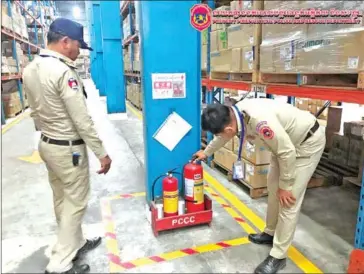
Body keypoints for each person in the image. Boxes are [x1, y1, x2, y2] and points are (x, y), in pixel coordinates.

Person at [193, 98, 325, 274]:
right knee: (273, 189)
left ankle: (278, 256)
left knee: (288, 200)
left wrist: (286, 185)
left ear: (229, 129)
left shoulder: (260, 122)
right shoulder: (236, 113)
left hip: (305, 145)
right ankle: (270, 233)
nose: (220, 137)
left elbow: (287, 153)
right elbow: (223, 138)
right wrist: (206, 152)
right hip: (284, 146)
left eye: (220, 134)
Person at [22, 18, 112, 274]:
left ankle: (76, 242)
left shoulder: (31, 68)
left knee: (62, 198)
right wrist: (101, 153)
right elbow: (81, 120)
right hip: (68, 149)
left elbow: (35, 112)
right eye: (77, 46)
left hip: (48, 144)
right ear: (64, 42)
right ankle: (60, 264)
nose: (78, 51)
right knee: (76, 203)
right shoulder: (62, 72)